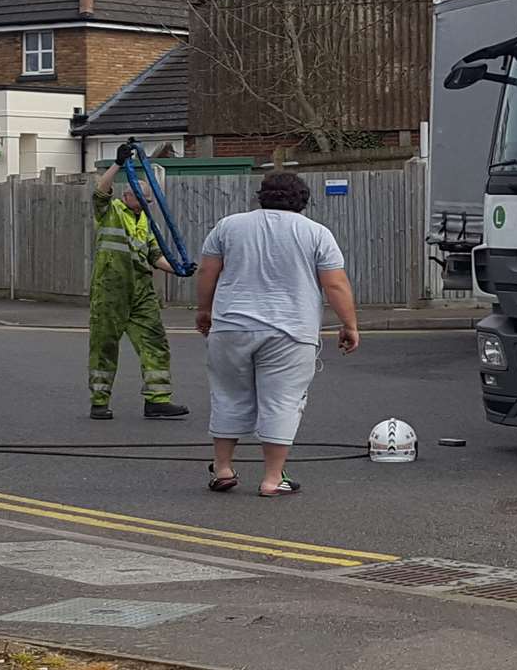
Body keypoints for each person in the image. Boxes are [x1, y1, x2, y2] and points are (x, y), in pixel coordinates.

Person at [196, 172, 360, 497]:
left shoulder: (228, 226)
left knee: (228, 395)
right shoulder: (316, 233)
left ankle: (223, 468)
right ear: (302, 200)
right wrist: (349, 325)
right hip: (291, 330)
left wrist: (204, 310)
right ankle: (272, 478)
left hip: (231, 326)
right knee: (282, 401)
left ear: (261, 196)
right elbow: (335, 284)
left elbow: (207, 271)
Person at [89, 145, 191, 421]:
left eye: (151, 200)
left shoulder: (145, 220)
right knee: (105, 345)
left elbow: (155, 255)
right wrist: (118, 164)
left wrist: (180, 270)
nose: (149, 203)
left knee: (155, 342)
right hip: (110, 289)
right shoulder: (110, 211)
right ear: (128, 195)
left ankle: (158, 400)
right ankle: (100, 400)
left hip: (141, 291)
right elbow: (100, 191)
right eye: (144, 198)